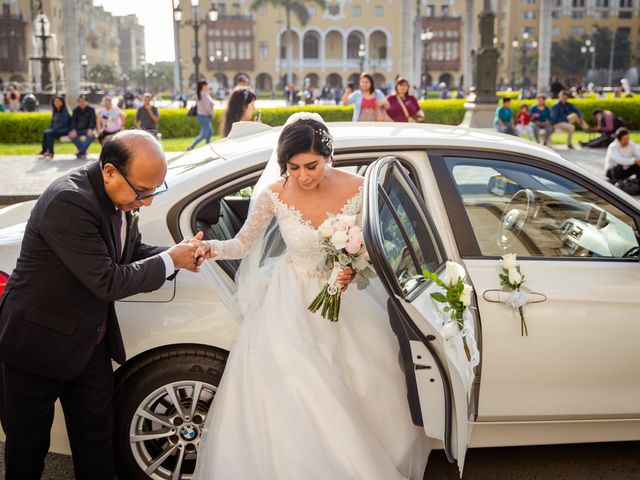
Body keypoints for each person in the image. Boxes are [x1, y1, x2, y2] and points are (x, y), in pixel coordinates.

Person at [189, 112, 430, 479]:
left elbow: (382, 243)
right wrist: (210, 250)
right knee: (295, 387)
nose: (302, 176)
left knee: (368, 378)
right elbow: (241, 244)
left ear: (329, 157)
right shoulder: (274, 195)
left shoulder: (358, 187)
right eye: (293, 167)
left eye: (311, 166)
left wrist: (357, 265)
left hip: (349, 298)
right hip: (291, 301)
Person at [0, 130, 204, 480]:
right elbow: (108, 280)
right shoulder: (69, 201)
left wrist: (180, 255)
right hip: (35, 344)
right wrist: (171, 260)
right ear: (110, 171)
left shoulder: (121, 198)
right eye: (142, 191)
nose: (148, 201)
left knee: (97, 442)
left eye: (155, 190)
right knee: (27, 447)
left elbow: (130, 252)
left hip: (89, 342)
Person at [38, 95, 70, 159]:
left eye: (58, 101)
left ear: (62, 102)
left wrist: (53, 130)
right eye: (55, 102)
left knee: (49, 133)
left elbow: (63, 123)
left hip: (64, 130)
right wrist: (51, 128)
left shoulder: (64, 110)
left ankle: (51, 153)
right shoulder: (55, 111)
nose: (56, 103)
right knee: (45, 132)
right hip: (57, 130)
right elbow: (52, 122)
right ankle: (44, 151)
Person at [187, 80, 215, 151]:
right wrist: (211, 114)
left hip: (203, 116)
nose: (207, 87)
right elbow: (207, 107)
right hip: (204, 116)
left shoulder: (201, 94)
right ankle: (191, 147)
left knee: (210, 132)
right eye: (206, 85)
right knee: (204, 134)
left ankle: (207, 146)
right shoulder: (203, 94)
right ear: (203, 86)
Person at [69, 94, 97, 159]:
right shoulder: (75, 110)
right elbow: (73, 121)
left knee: (92, 135)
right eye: (80, 101)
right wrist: (73, 129)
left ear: (87, 102)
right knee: (71, 135)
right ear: (78, 103)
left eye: (84, 101)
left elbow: (92, 121)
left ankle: (80, 152)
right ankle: (83, 151)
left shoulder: (91, 110)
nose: (82, 103)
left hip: (87, 129)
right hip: (78, 130)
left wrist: (90, 128)